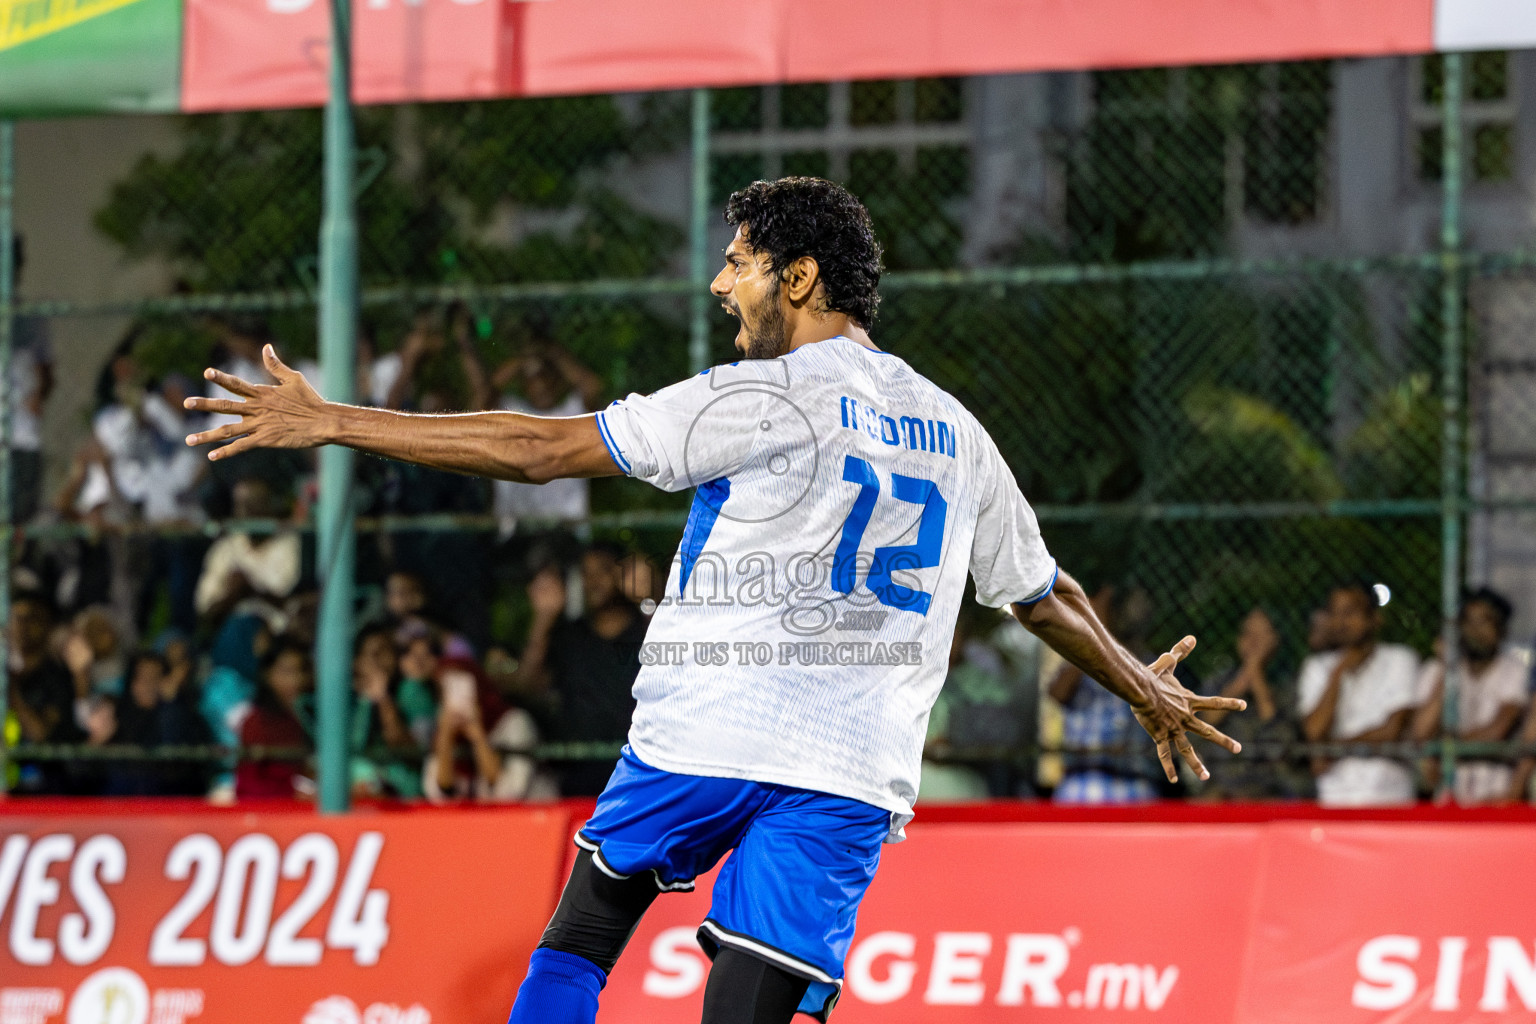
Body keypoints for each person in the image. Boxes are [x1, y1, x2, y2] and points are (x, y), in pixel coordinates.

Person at [185, 176, 1242, 1024]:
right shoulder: (958, 430)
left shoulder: (763, 394)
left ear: (800, 276)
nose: (718, 285)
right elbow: (1041, 593)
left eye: (738, 262)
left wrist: (335, 423)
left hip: (706, 732)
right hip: (845, 769)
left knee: (585, 934)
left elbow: (540, 451)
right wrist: (1141, 682)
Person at [515, 545, 648, 796]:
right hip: (577, 780)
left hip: (637, 775)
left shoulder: (646, 632)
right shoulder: (569, 637)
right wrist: (543, 618)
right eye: (586, 574)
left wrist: (647, 601)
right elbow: (526, 686)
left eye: (603, 571)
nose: (594, 581)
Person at [1299, 581, 1421, 807]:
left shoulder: (1400, 660)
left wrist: (1334, 748)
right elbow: (1314, 732)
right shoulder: (1317, 667)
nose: (1342, 622)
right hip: (1334, 798)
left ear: (1375, 618)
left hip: (1390, 797)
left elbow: (1391, 730)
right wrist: (1337, 674)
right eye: (1335, 614)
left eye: (1350, 612)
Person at [1411, 588, 1528, 805]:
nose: (1476, 631)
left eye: (1485, 622)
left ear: (1502, 629)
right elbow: (1419, 732)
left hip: (1496, 794)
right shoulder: (1437, 670)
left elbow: (1497, 731)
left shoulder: (1514, 670)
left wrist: (1442, 749)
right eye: (1469, 622)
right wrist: (1446, 671)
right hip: (1447, 795)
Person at [1190, 607, 1311, 801]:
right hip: (1221, 788)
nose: (1253, 641)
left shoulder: (1289, 685)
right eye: (1247, 633)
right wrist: (1240, 684)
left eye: (1261, 634)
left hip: (1271, 789)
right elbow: (1201, 725)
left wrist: (1257, 680)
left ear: (1276, 640)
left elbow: (1282, 742)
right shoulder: (1218, 683)